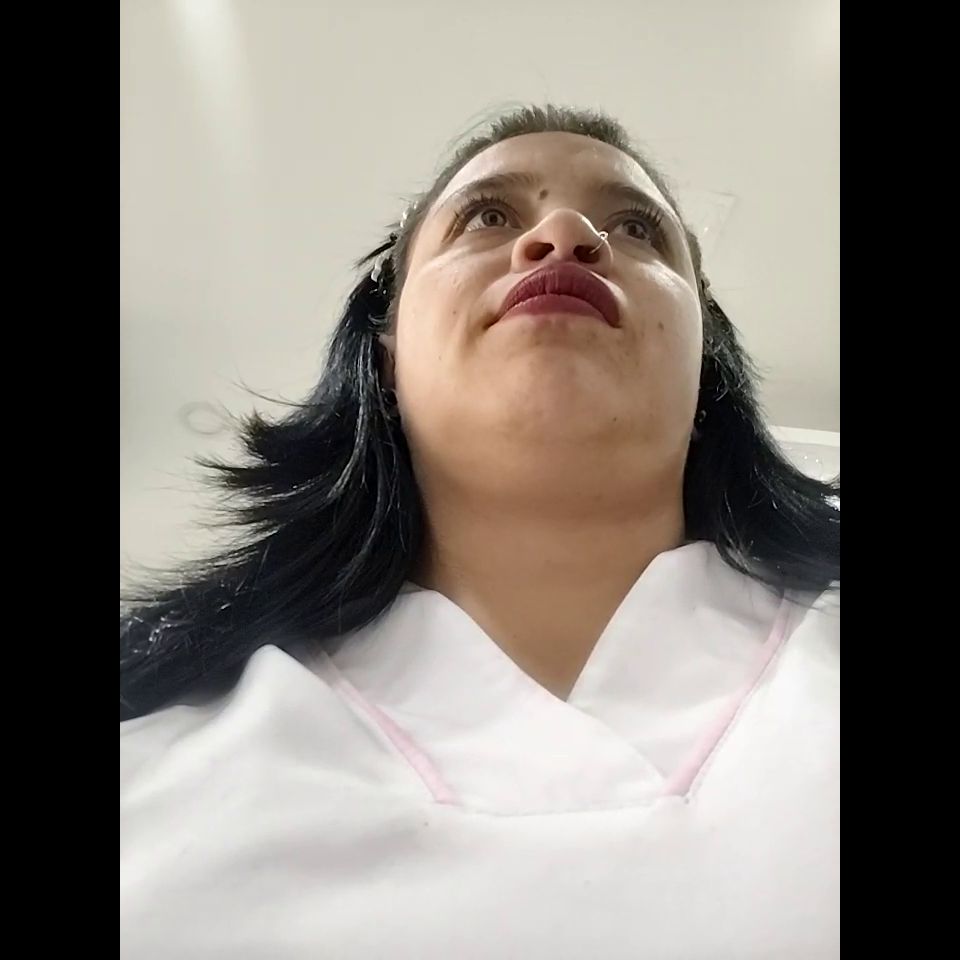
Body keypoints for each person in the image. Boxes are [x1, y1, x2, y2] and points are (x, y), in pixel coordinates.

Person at [120, 104, 839, 959]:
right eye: (489, 216)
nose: (566, 235)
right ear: (385, 348)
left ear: (707, 356)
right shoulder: (151, 764)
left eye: (637, 228)